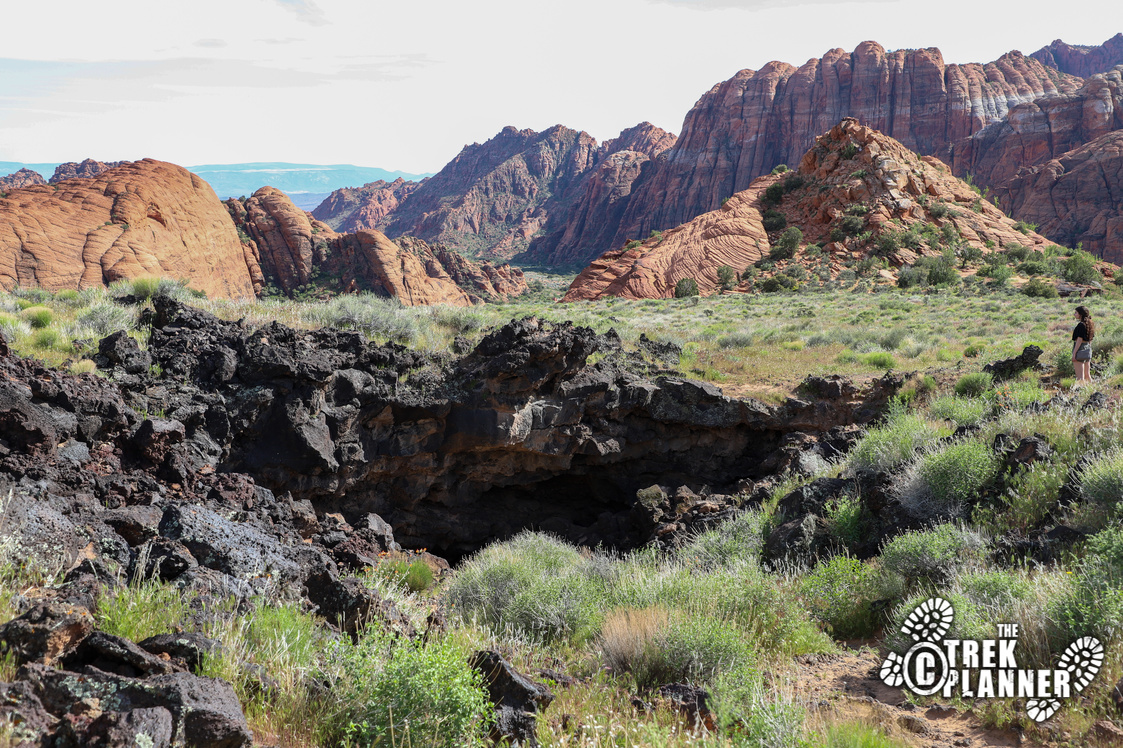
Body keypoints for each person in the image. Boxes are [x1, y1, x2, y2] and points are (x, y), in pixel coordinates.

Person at [1072, 305, 1095, 385]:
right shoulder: (1090, 323)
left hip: (1079, 349)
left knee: (1080, 378)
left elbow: (1079, 339)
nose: (1074, 314)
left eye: (1076, 313)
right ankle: (1093, 391)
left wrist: (1074, 353)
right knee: (1087, 375)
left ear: (1080, 314)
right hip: (1087, 350)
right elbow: (1090, 339)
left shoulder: (1081, 325)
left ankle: (1080, 395)